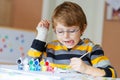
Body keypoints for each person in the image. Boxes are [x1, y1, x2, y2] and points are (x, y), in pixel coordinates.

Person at [27, 1, 117, 77]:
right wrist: (41, 36)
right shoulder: (50, 48)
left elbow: (112, 74)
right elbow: (29, 65)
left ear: (83, 28)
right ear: (54, 30)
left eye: (72, 31)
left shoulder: (92, 49)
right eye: (60, 32)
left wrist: (86, 69)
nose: (66, 36)